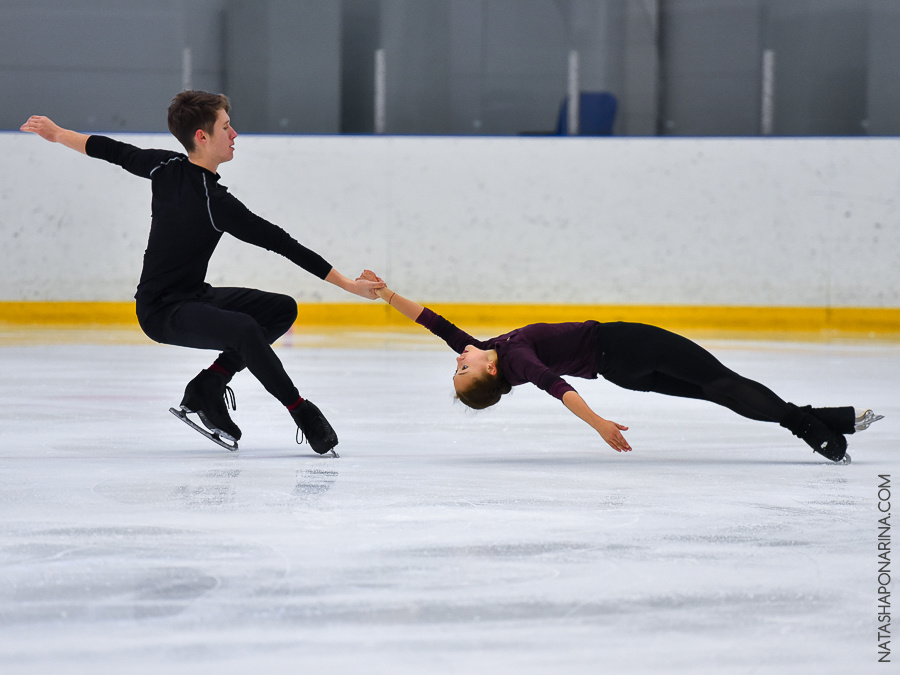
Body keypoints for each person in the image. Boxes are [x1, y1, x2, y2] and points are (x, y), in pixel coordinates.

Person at [20, 91, 384, 456]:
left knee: (281, 310)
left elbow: (282, 243)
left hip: (193, 296)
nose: (235, 134)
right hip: (161, 312)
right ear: (202, 136)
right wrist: (59, 134)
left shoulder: (173, 173)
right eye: (226, 126)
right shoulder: (192, 188)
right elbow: (112, 150)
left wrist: (58, 133)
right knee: (244, 329)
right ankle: (300, 411)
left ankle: (209, 385)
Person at [357, 271, 882, 464]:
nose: (459, 357)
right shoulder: (515, 358)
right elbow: (559, 388)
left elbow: (433, 321)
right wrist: (600, 424)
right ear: (489, 373)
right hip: (628, 349)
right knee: (725, 383)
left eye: (459, 363)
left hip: (625, 372)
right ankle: (810, 427)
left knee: (720, 391)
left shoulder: (492, 348)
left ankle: (826, 420)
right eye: (462, 369)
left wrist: (387, 294)